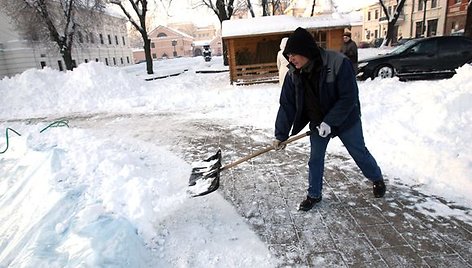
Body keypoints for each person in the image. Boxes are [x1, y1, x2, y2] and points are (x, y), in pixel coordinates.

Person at [272, 27, 385, 212]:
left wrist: (330, 122)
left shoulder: (339, 63)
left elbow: (348, 97)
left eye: (293, 54)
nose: (290, 59)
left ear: (306, 51)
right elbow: (287, 105)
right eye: (288, 55)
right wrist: (280, 134)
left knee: (358, 152)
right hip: (318, 122)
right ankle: (314, 195)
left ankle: (376, 178)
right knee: (315, 159)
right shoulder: (293, 73)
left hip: (346, 119)